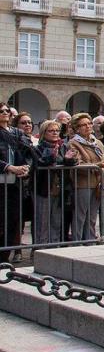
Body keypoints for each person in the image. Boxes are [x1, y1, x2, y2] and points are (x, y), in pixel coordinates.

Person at [68, 112, 104, 243]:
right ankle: (77, 242)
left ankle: (90, 241)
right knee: (80, 216)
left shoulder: (97, 143)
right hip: (82, 183)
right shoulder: (74, 143)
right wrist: (98, 165)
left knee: (92, 216)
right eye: (83, 125)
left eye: (89, 123)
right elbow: (77, 164)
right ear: (76, 128)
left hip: (98, 184)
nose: (88, 126)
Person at [33, 119, 75, 246]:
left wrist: (68, 160)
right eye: (51, 131)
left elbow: (72, 163)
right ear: (44, 132)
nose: (55, 133)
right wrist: (51, 157)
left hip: (60, 189)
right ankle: (41, 248)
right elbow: (38, 163)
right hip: (43, 189)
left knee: (56, 221)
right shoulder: (37, 147)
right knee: (43, 222)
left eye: (57, 130)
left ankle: (54, 248)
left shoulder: (64, 146)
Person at [1, 103, 31, 262]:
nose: (5, 113)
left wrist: (26, 167)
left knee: (13, 220)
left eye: (7, 110)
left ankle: (5, 258)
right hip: (1, 182)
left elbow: (28, 151)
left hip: (15, 184)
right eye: (2, 111)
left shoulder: (17, 133)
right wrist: (9, 167)